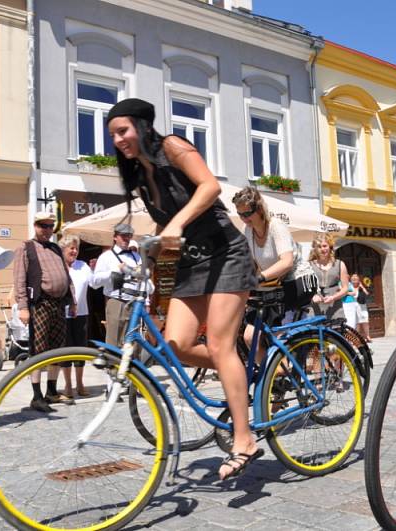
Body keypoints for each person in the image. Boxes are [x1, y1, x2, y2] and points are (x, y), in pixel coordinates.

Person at [107, 97, 259, 480]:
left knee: (222, 344)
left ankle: (244, 438)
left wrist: (176, 224)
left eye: (122, 131)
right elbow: (167, 226)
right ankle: (237, 374)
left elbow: (209, 187)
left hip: (225, 252)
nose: (118, 140)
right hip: (190, 262)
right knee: (176, 345)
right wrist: (155, 245)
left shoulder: (172, 147)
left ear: (142, 126)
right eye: (113, 135)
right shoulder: (140, 176)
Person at [231, 186, 317, 359]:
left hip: (300, 280)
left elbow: (286, 262)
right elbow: (248, 263)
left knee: (276, 334)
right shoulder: (248, 231)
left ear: (259, 208)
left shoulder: (276, 226)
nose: (244, 218)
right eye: (240, 214)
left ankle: (287, 366)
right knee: (250, 337)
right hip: (275, 284)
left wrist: (260, 278)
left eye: (247, 213)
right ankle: (274, 378)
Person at [13, 211, 75, 413]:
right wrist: (23, 307)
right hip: (39, 303)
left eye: (50, 226)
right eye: (43, 226)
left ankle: (51, 391)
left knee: (57, 349)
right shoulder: (26, 247)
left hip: (59, 304)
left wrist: (72, 300)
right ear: (35, 225)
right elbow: (19, 279)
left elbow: (67, 275)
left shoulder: (56, 248)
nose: (47, 230)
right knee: (38, 350)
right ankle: (36, 395)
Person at [89, 223, 143, 346]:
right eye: (123, 236)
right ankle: (113, 365)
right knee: (114, 343)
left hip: (135, 302)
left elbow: (143, 279)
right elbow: (94, 283)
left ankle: (131, 365)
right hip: (116, 302)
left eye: (129, 236)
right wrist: (112, 272)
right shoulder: (106, 257)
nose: (126, 239)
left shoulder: (136, 256)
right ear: (115, 237)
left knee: (134, 344)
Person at [59, 234, 92, 398]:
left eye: (76, 248)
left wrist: (97, 268)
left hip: (81, 313)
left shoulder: (83, 265)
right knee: (66, 350)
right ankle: (68, 385)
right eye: (71, 248)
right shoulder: (58, 265)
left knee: (80, 349)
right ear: (63, 249)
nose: (74, 251)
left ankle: (80, 383)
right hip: (63, 314)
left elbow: (94, 282)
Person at [308, 233, 350, 319]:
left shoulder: (339, 264)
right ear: (315, 249)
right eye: (319, 247)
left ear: (330, 247)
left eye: (324, 246)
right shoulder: (309, 265)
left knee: (335, 331)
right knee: (314, 332)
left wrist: (333, 297)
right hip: (315, 308)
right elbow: (305, 288)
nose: (322, 249)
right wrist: (312, 296)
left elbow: (345, 289)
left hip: (335, 308)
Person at [350, 273, 372, 342]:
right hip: (353, 307)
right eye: (353, 278)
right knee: (357, 323)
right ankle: (356, 338)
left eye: (356, 278)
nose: (354, 280)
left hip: (362, 307)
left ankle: (367, 336)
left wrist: (362, 287)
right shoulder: (349, 287)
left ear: (358, 280)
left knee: (365, 321)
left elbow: (367, 294)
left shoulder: (361, 287)